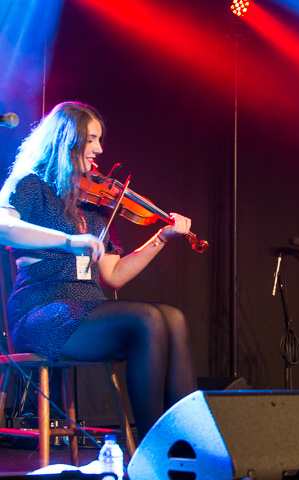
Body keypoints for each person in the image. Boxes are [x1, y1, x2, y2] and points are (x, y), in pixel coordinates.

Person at [0, 101, 197, 439]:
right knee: (147, 318)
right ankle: (156, 447)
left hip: (89, 308)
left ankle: (189, 442)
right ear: (67, 140)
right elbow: (3, 225)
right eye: (91, 139)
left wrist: (161, 237)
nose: (100, 149)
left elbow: (113, 275)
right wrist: (68, 241)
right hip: (42, 309)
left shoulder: (93, 205)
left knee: (173, 318)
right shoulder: (31, 185)